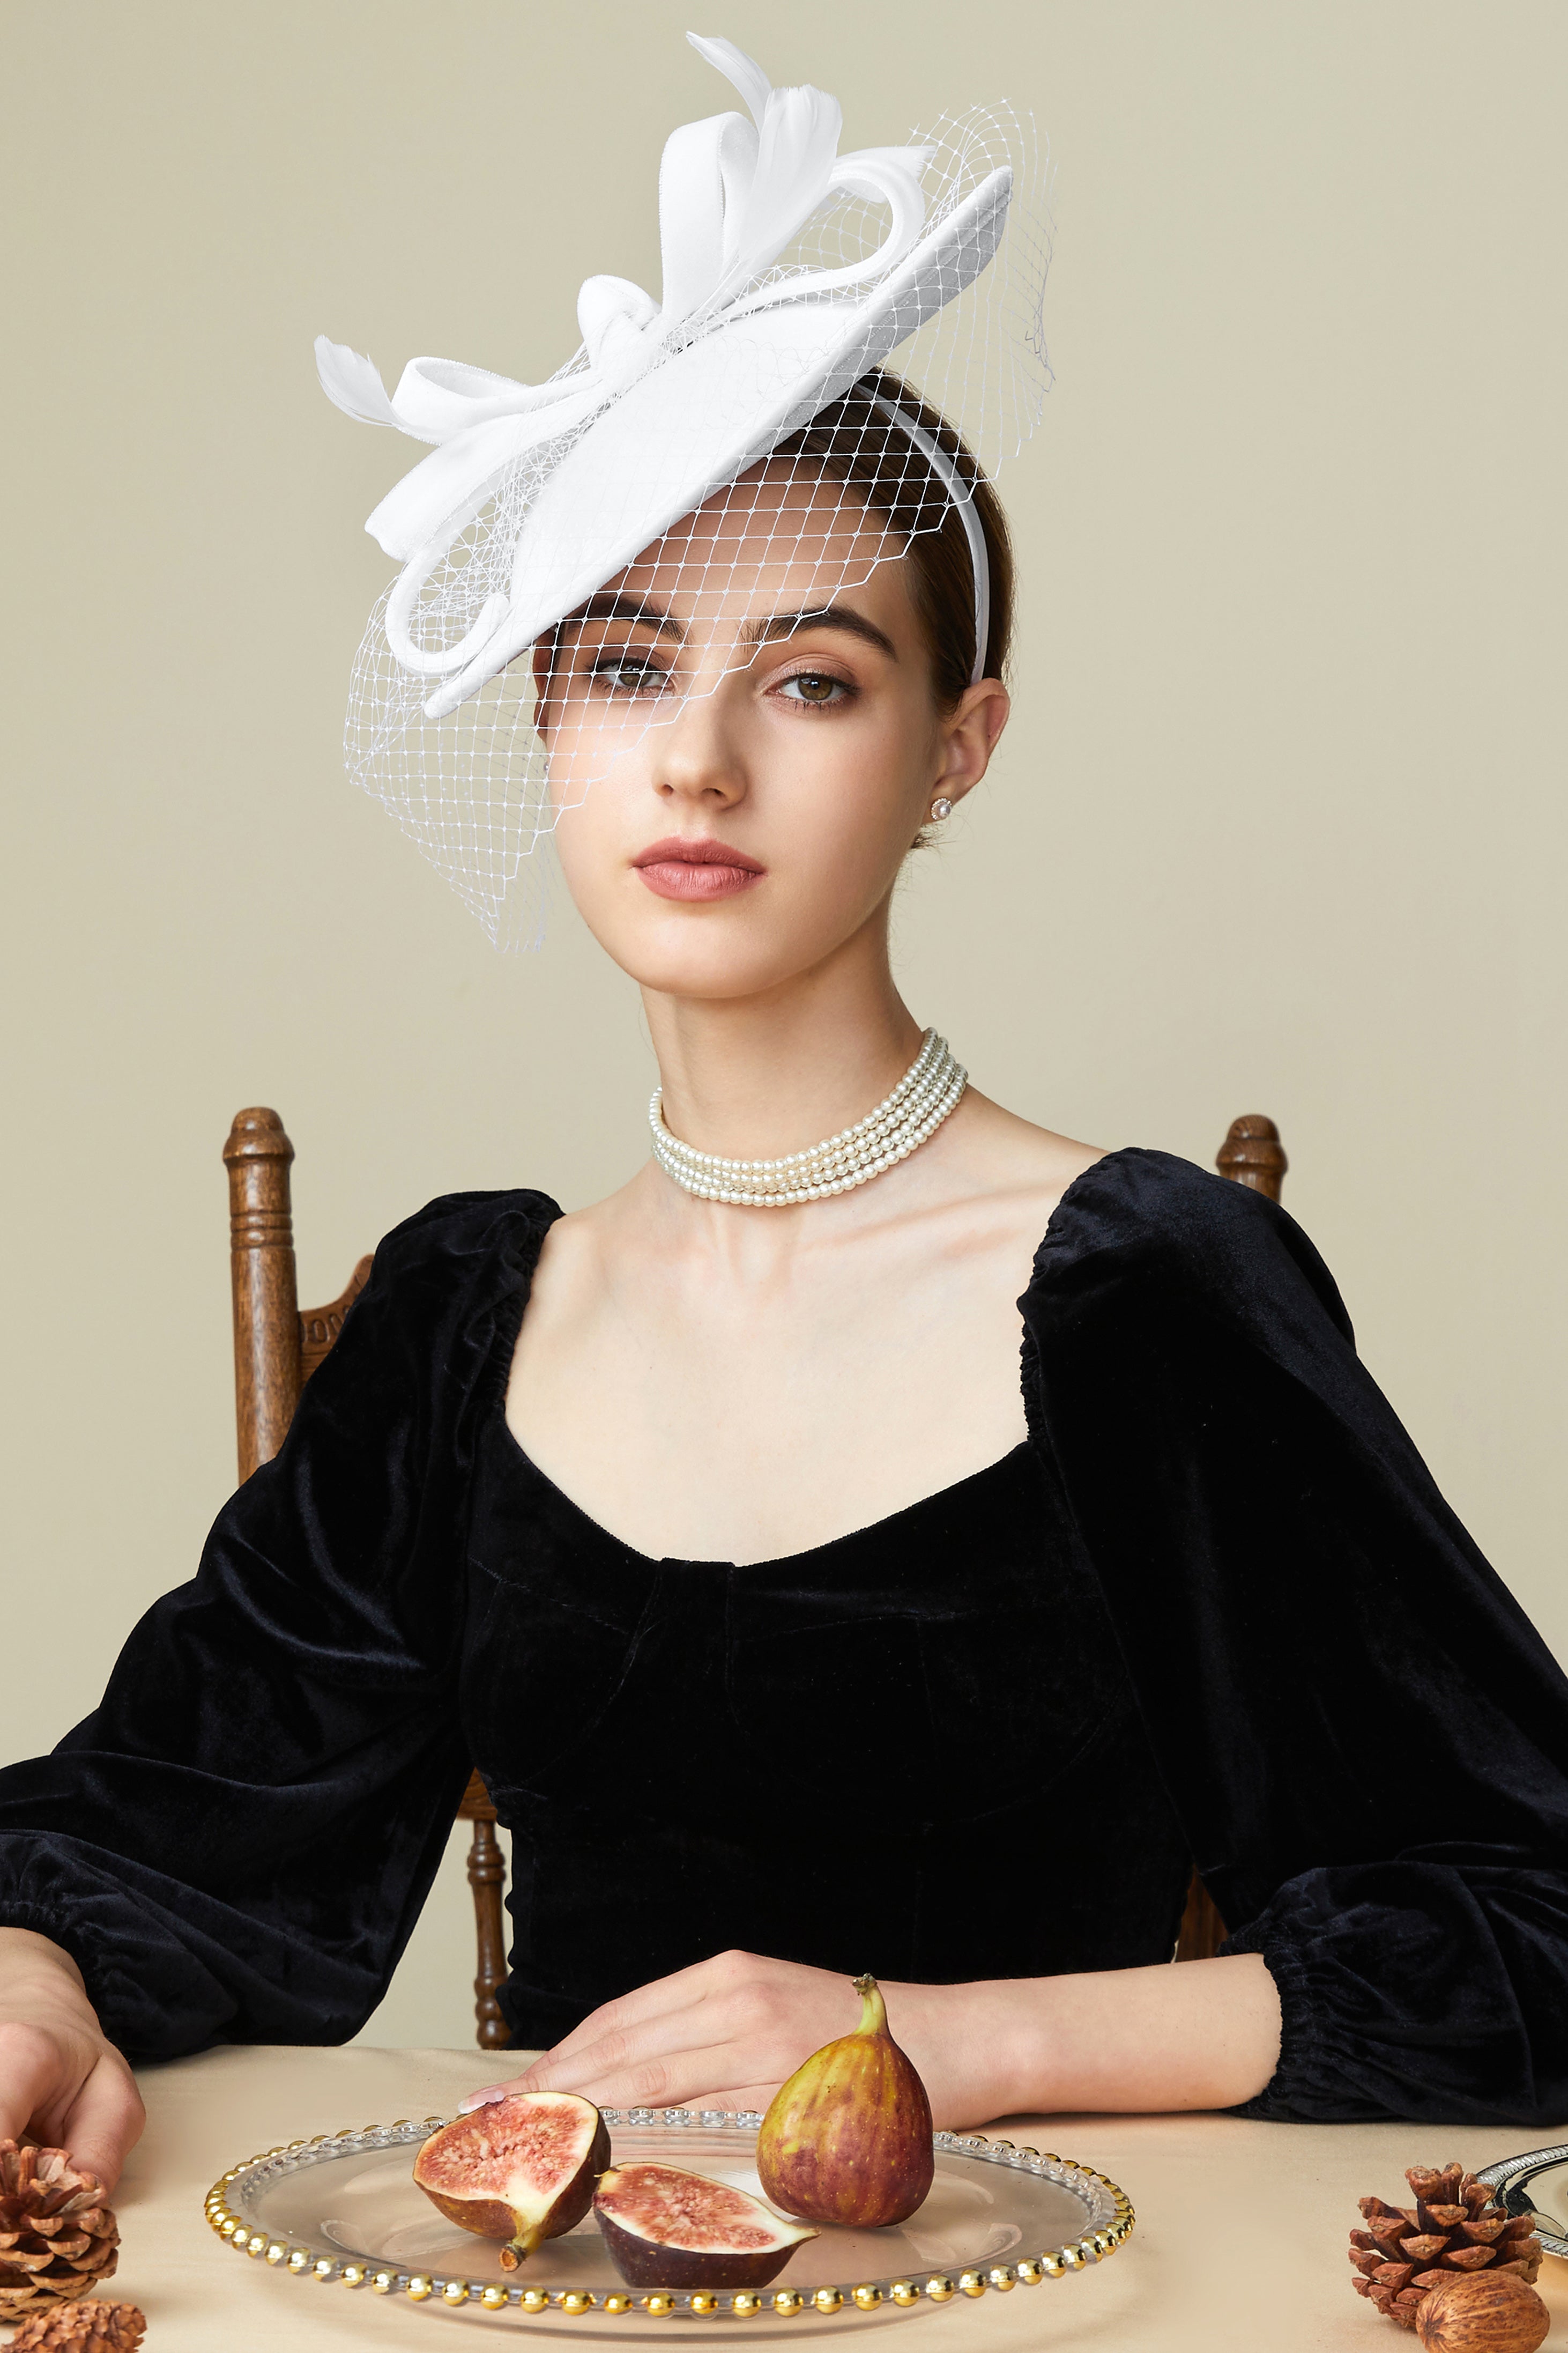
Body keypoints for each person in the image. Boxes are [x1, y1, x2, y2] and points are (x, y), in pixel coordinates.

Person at [4, 34, 1568, 2199]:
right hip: (561, 2296)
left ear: (958, 749)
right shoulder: (468, 1321)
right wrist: (31, 1975)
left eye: (814, 678)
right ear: (545, 718)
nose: (699, 760)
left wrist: (943, 2035)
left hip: (1064, 2283)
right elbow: (152, 1828)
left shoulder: (1144, 1291)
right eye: (627, 665)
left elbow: (1534, 1921)